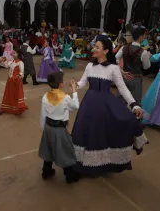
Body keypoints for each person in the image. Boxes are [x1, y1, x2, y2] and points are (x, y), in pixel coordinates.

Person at [71, 38, 148, 177]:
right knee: (86, 132)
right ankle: (85, 164)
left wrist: (134, 104)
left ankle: (102, 164)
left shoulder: (113, 68)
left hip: (105, 106)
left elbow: (123, 88)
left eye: (97, 47)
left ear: (106, 51)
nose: (94, 49)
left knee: (101, 134)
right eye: (94, 46)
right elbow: (82, 82)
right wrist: (75, 85)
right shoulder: (89, 66)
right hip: (89, 104)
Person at [39, 71, 80, 184]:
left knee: (48, 149)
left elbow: (43, 114)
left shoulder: (45, 96)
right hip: (59, 129)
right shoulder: (65, 97)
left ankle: (46, 171)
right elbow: (75, 106)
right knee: (65, 150)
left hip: (48, 127)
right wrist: (74, 91)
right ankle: (70, 175)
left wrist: (43, 127)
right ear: (61, 84)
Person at [115, 28, 151, 105]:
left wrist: (121, 71)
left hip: (124, 77)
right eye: (144, 35)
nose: (145, 37)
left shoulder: (124, 47)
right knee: (135, 103)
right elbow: (146, 67)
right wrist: (148, 57)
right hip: (136, 79)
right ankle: (134, 116)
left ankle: (117, 116)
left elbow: (115, 59)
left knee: (120, 101)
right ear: (141, 37)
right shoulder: (143, 52)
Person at [1, 50, 28, 115]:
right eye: (12, 53)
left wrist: (18, 77)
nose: (13, 54)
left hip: (16, 81)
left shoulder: (20, 62)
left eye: (14, 53)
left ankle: (16, 108)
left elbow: (21, 73)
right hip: (10, 81)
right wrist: (3, 60)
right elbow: (7, 65)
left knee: (15, 95)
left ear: (18, 54)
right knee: (10, 94)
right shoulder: (12, 62)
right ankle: (8, 107)